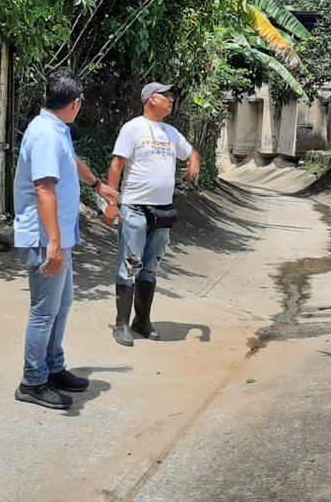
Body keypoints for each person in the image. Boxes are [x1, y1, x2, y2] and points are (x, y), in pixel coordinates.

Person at [13, 71, 119, 410]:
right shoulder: (44, 134)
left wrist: (97, 185)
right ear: (75, 104)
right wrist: (54, 245)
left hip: (58, 236)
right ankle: (32, 381)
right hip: (46, 238)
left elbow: (71, 162)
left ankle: (53, 367)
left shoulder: (57, 130)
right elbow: (45, 188)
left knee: (62, 304)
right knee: (45, 311)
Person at [105, 82, 200, 347]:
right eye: (166, 95)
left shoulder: (171, 132)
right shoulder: (132, 128)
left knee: (151, 267)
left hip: (162, 211)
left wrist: (193, 161)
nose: (171, 99)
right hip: (134, 207)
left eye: (172, 95)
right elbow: (117, 165)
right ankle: (121, 324)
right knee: (130, 265)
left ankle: (142, 321)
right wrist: (112, 202)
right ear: (150, 99)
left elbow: (191, 151)